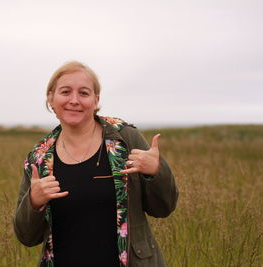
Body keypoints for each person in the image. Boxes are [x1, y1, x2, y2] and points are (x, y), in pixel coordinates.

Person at [13, 61, 178, 267]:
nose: (74, 100)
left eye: (84, 93)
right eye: (65, 92)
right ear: (51, 98)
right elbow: (26, 237)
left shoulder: (125, 138)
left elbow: (164, 208)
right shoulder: (39, 158)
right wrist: (34, 203)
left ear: (96, 100)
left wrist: (156, 172)